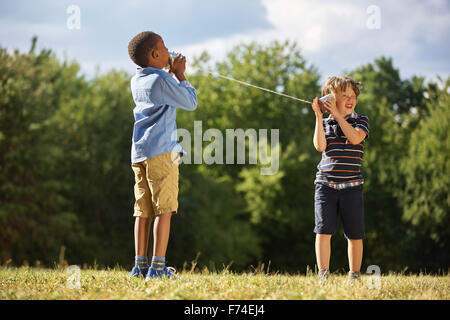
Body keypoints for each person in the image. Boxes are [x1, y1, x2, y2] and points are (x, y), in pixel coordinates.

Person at [127, 31, 197, 279]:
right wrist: (180, 75)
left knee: (142, 211)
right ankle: (157, 267)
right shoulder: (162, 80)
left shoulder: (138, 79)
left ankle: (140, 266)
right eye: (164, 48)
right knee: (164, 210)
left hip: (140, 153)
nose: (169, 51)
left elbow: (159, 92)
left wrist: (168, 74)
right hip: (162, 153)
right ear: (155, 54)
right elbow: (190, 102)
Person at [311, 76, 369, 284]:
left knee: (355, 234)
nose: (350, 99)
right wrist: (319, 117)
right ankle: (323, 275)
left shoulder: (361, 120)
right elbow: (319, 146)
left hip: (352, 187)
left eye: (352, 95)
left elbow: (354, 138)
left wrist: (337, 114)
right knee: (323, 230)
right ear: (331, 99)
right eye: (343, 95)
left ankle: (354, 276)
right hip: (326, 186)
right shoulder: (326, 123)